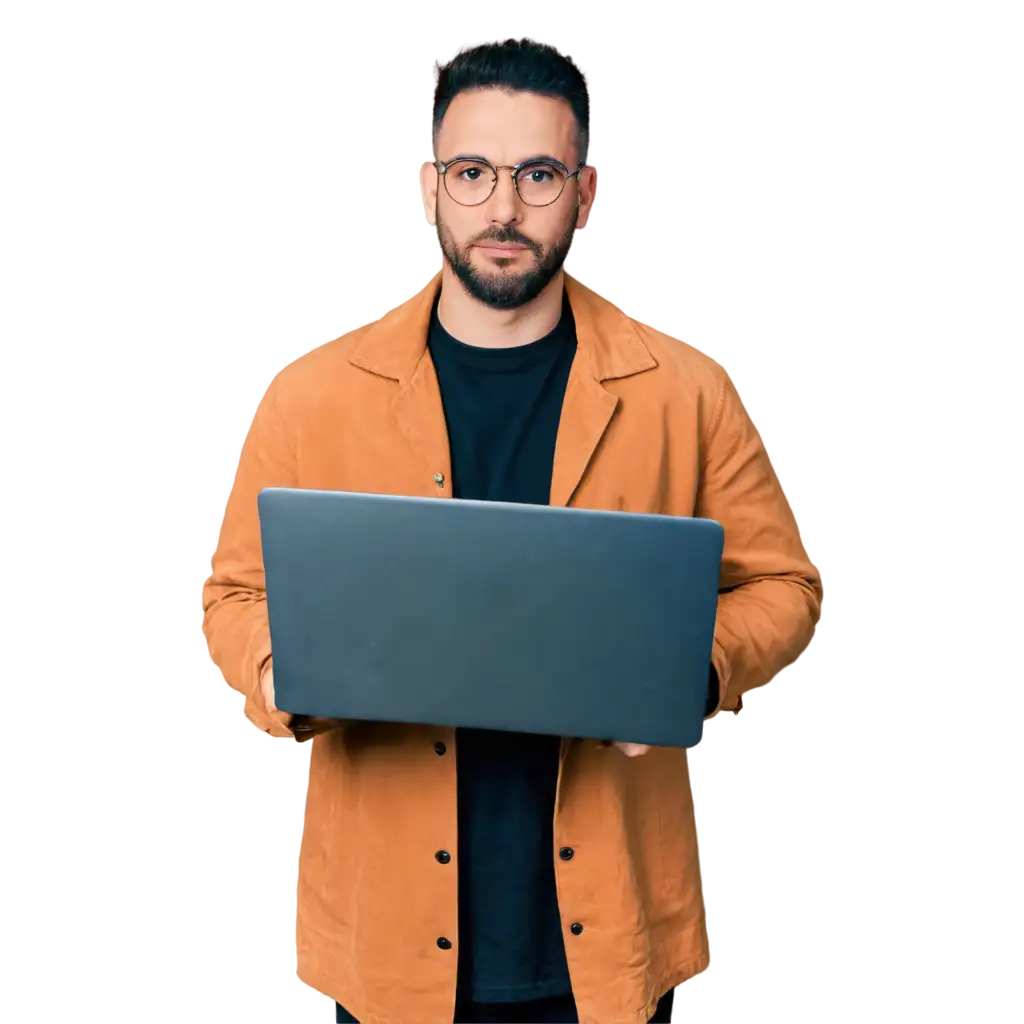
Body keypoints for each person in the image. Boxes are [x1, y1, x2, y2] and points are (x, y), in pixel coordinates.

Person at [199, 38, 820, 1024]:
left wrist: (688, 671)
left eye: (537, 174)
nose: (502, 207)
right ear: (427, 187)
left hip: (606, 947)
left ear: (585, 191)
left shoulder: (683, 392)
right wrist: (285, 673)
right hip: (387, 956)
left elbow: (781, 587)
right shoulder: (309, 394)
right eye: (472, 171)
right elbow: (232, 599)